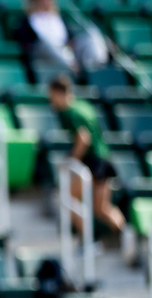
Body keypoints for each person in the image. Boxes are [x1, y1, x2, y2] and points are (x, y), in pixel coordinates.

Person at [48, 74, 126, 240]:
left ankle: (90, 239)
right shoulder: (83, 106)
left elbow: (84, 139)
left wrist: (70, 159)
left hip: (93, 162)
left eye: (52, 96)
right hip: (104, 159)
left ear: (57, 92)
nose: (51, 101)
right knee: (102, 208)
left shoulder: (70, 111)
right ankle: (127, 235)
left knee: (67, 198)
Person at [13, 0, 108, 76]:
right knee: (48, 42)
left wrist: (70, 42)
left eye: (46, 0)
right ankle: (72, 67)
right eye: (41, 0)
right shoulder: (27, 20)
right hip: (44, 52)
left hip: (65, 49)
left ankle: (96, 65)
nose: (45, 3)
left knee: (92, 32)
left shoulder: (58, 18)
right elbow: (26, 42)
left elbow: (69, 36)